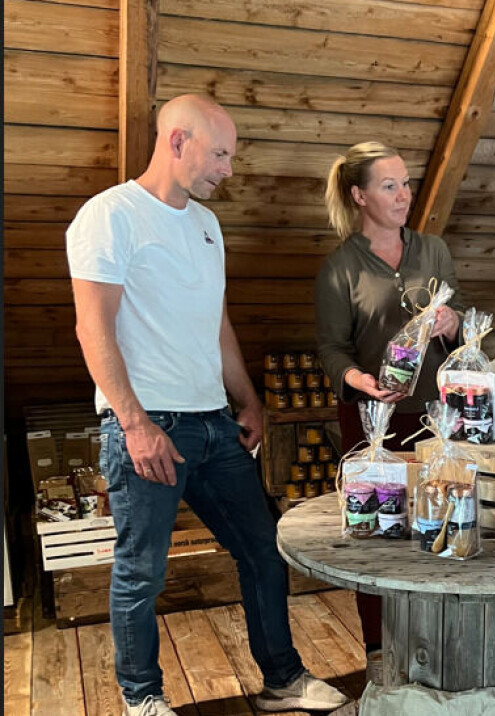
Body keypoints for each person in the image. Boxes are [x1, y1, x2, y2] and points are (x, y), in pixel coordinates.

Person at [67, 94, 349, 716]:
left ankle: (283, 680)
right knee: (142, 573)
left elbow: (215, 323)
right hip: (148, 426)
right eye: (220, 154)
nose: (228, 169)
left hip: (215, 425)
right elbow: (93, 328)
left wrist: (248, 399)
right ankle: (142, 699)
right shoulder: (109, 216)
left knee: (264, 550)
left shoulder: (205, 224)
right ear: (177, 141)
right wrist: (134, 424)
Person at [315, 140, 464, 678]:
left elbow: (461, 327)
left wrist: (453, 323)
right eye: (389, 186)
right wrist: (357, 380)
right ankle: (380, 649)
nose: (404, 196)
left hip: (437, 420)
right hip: (372, 423)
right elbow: (332, 348)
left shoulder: (434, 251)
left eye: (406, 184)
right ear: (359, 196)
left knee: (443, 521)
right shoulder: (340, 268)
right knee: (378, 533)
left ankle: (439, 636)